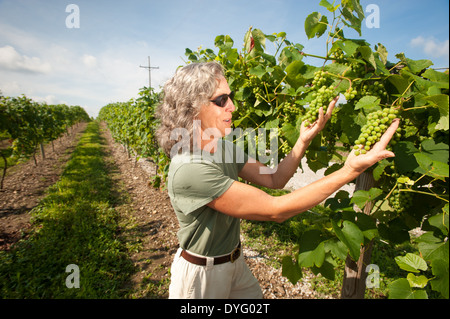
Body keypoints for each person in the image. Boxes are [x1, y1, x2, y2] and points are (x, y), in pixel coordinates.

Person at [155, 61, 399, 299]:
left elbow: (274, 179)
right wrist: (350, 170)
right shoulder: (190, 169)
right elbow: (276, 210)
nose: (233, 107)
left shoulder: (222, 148)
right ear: (193, 107)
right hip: (202, 277)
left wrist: (302, 140)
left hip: (235, 262)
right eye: (221, 100)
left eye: (230, 97)